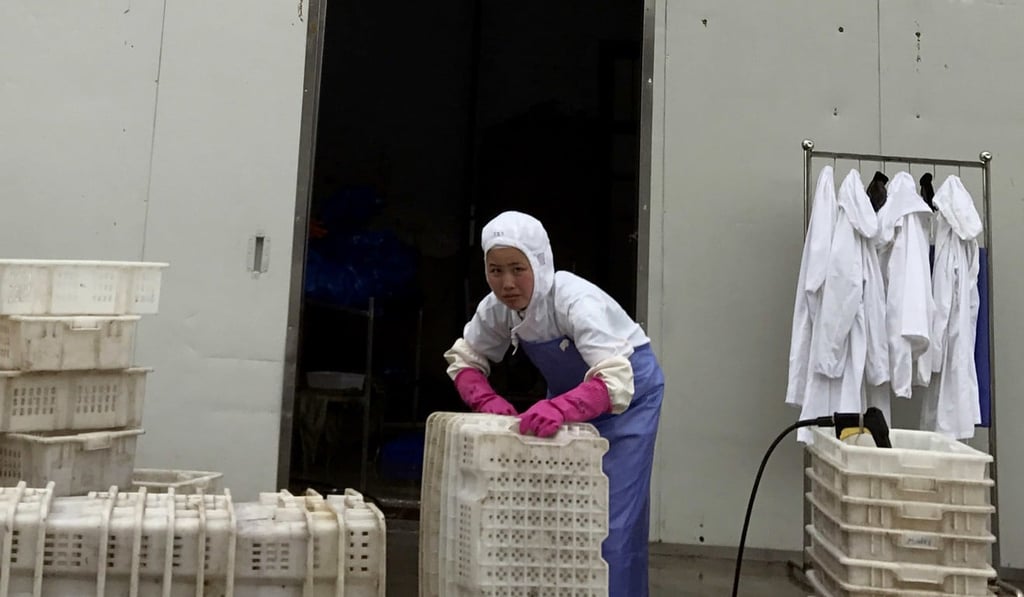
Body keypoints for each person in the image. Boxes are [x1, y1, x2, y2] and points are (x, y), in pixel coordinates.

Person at [443, 210, 665, 596]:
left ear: (539, 263)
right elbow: (464, 359)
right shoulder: (497, 308)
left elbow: (615, 377)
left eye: (518, 268)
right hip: (572, 402)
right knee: (560, 520)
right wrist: (485, 399)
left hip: (628, 403)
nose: (507, 283)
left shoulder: (573, 299)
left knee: (609, 526)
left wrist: (561, 408)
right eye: (495, 271)